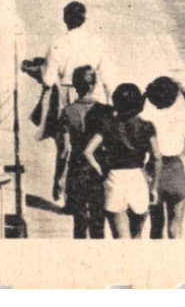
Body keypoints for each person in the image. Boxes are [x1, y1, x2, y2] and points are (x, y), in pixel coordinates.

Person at [41, 1, 110, 201]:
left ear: (65, 19)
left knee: (66, 147)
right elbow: (107, 76)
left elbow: (47, 79)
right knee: (93, 144)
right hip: (93, 96)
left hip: (68, 97)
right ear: (84, 19)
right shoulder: (96, 43)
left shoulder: (57, 44)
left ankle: (63, 187)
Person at [82, 83, 156, 239]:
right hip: (137, 178)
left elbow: (88, 151)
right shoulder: (147, 126)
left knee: (121, 239)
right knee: (137, 237)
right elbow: (157, 156)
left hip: (114, 179)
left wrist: (99, 169)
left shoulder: (108, 125)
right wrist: (153, 184)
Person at [144, 76, 185, 239]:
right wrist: (182, 88)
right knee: (175, 226)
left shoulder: (148, 120)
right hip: (175, 170)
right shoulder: (182, 117)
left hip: (154, 171)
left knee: (156, 226)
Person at [58, 65, 110, 239]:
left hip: (77, 169)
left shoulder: (67, 112)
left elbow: (64, 149)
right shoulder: (104, 110)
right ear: (94, 85)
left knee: (79, 224)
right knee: (98, 222)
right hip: (99, 169)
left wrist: (59, 177)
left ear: (75, 85)